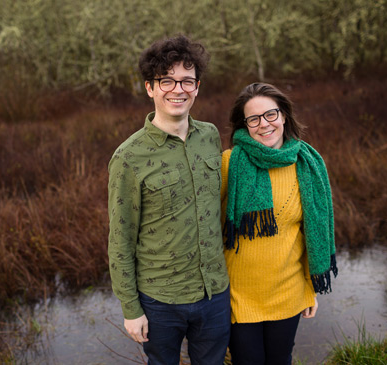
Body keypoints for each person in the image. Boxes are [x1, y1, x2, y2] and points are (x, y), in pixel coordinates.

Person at [107, 35, 230, 365]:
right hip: (160, 302)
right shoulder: (128, 157)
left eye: (187, 81)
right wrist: (131, 310)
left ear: (198, 86)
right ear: (150, 87)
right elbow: (120, 241)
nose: (178, 89)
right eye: (167, 81)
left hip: (214, 293)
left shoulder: (210, 137)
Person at [220, 82, 336, 364]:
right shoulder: (229, 163)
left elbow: (311, 235)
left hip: (288, 292)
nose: (264, 124)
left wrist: (310, 289)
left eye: (270, 114)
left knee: (281, 360)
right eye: (254, 119)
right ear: (245, 125)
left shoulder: (307, 165)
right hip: (239, 295)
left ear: (284, 115)